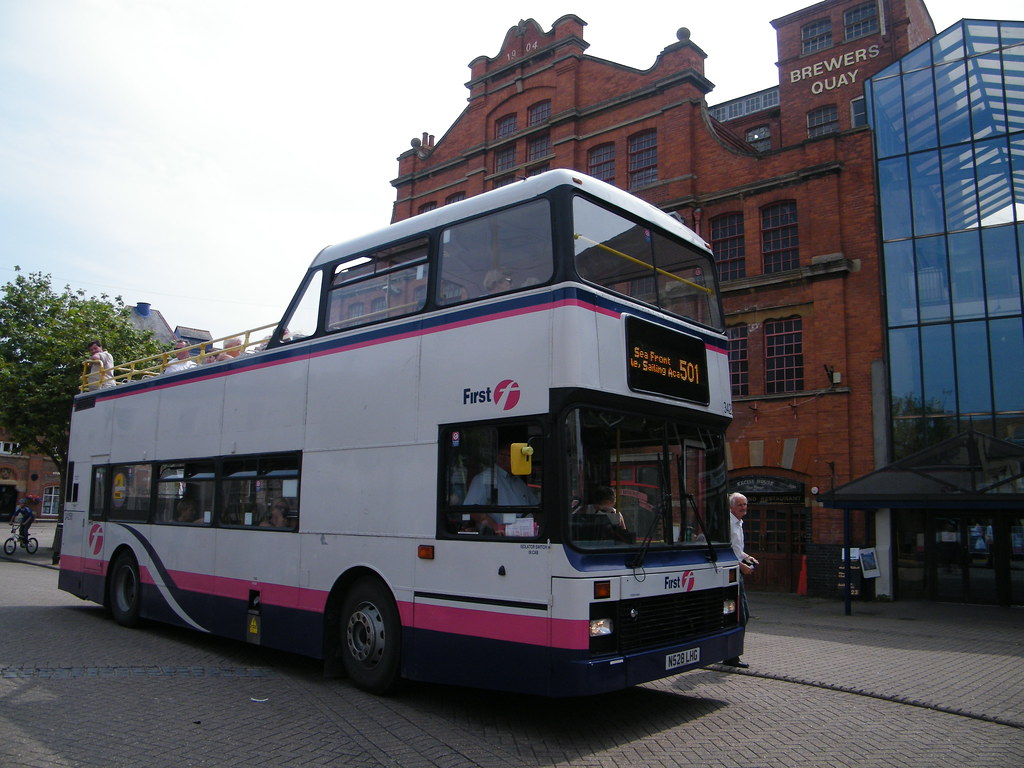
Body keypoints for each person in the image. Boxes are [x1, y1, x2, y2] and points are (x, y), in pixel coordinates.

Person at [724, 492, 758, 668]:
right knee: (739, 615)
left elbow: (737, 550)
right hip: (731, 575)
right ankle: (731, 656)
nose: (744, 508)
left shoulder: (739, 523)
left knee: (742, 615)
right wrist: (740, 566)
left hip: (738, 574)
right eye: (740, 505)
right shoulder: (728, 525)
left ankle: (731, 655)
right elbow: (725, 552)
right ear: (731, 507)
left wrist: (747, 557)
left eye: (745, 504)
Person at [462, 441, 536, 506]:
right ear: (502, 458)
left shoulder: (518, 482)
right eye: (514, 457)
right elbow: (473, 510)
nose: (519, 461)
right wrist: (493, 523)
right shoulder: (483, 479)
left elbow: (534, 505)